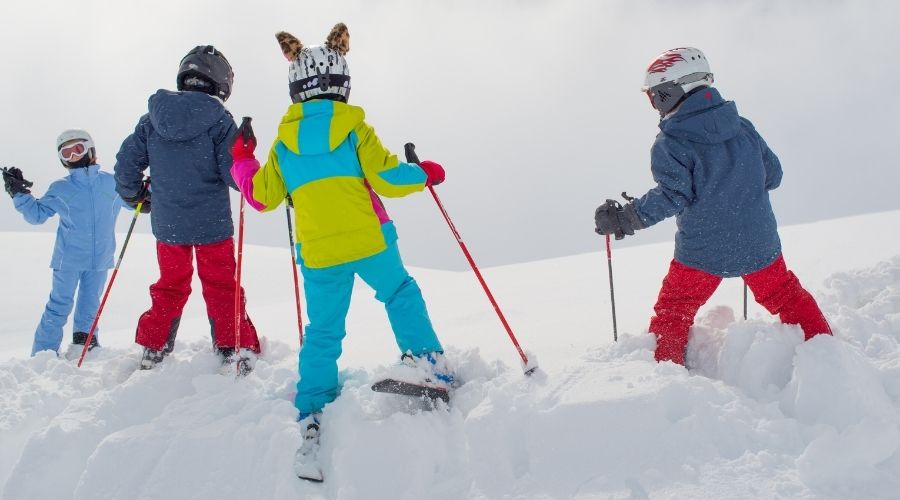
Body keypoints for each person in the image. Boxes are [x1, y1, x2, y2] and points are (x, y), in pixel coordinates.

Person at [229, 23, 454, 481]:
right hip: (369, 238)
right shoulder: (354, 129)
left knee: (324, 330)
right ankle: (427, 363)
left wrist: (243, 159)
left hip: (319, 251)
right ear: (343, 82)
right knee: (400, 293)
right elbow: (389, 178)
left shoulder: (284, 144)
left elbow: (261, 197)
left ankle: (313, 405)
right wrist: (425, 173)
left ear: (296, 86)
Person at [594, 47, 832, 366]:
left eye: (654, 97)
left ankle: (666, 373)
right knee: (787, 297)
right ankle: (828, 353)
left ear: (671, 92)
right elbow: (773, 175)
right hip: (758, 243)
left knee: (675, 309)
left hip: (703, 251)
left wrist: (626, 218)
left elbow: (672, 196)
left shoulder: (671, 143)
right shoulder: (743, 127)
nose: (654, 105)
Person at [114, 45, 261, 372]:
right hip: (212, 227)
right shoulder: (220, 122)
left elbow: (126, 166)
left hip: (169, 226)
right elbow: (233, 175)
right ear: (221, 82)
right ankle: (232, 345)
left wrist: (137, 195)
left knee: (170, 284)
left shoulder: (151, 120)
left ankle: (154, 347)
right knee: (221, 285)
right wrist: (247, 159)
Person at [3, 129, 127, 359]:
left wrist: (147, 191)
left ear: (90, 149)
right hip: (68, 259)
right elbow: (37, 215)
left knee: (90, 305)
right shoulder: (61, 188)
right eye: (66, 153)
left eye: (77, 149)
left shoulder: (111, 183)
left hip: (101, 257)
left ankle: (85, 345)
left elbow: (135, 199)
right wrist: (19, 194)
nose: (73, 156)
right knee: (59, 305)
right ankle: (44, 353)